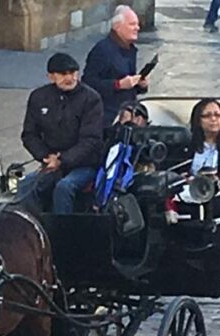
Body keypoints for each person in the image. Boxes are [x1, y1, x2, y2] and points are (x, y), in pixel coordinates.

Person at [18, 52, 104, 214]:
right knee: (25, 185)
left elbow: (91, 140)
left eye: (73, 73)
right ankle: (34, 226)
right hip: (50, 161)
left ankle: (62, 231)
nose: (69, 78)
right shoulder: (38, 97)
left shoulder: (91, 99)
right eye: (63, 74)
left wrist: (63, 160)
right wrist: (44, 156)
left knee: (64, 187)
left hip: (84, 164)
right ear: (51, 76)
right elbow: (29, 134)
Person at [82, 5, 148, 128]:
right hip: (107, 118)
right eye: (132, 24)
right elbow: (88, 83)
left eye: (137, 24)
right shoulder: (102, 50)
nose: (137, 28)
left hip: (127, 115)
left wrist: (139, 85)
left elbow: (126, 81)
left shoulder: (130, 49)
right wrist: (118, 84)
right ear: (117, 26)